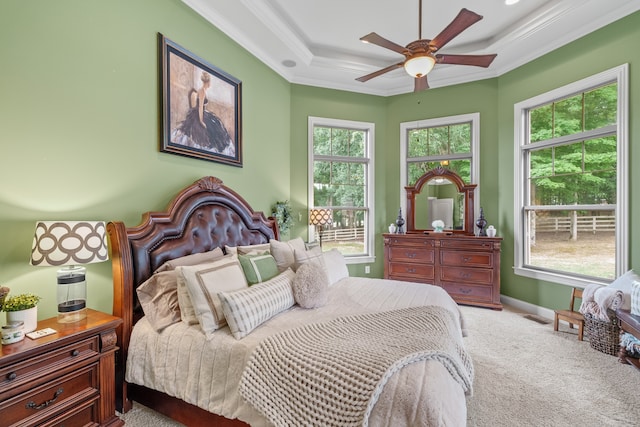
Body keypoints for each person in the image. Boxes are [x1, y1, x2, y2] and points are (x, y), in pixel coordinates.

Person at [174, 71, 233, 154]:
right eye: (209, 82)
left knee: (216, 124)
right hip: (199, 113)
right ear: (207, 82)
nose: (210, 84)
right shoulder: (202, 91)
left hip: (202, 112)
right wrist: (201, 121)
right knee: (212, 127)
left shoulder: (204, 91)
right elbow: (200, 107)